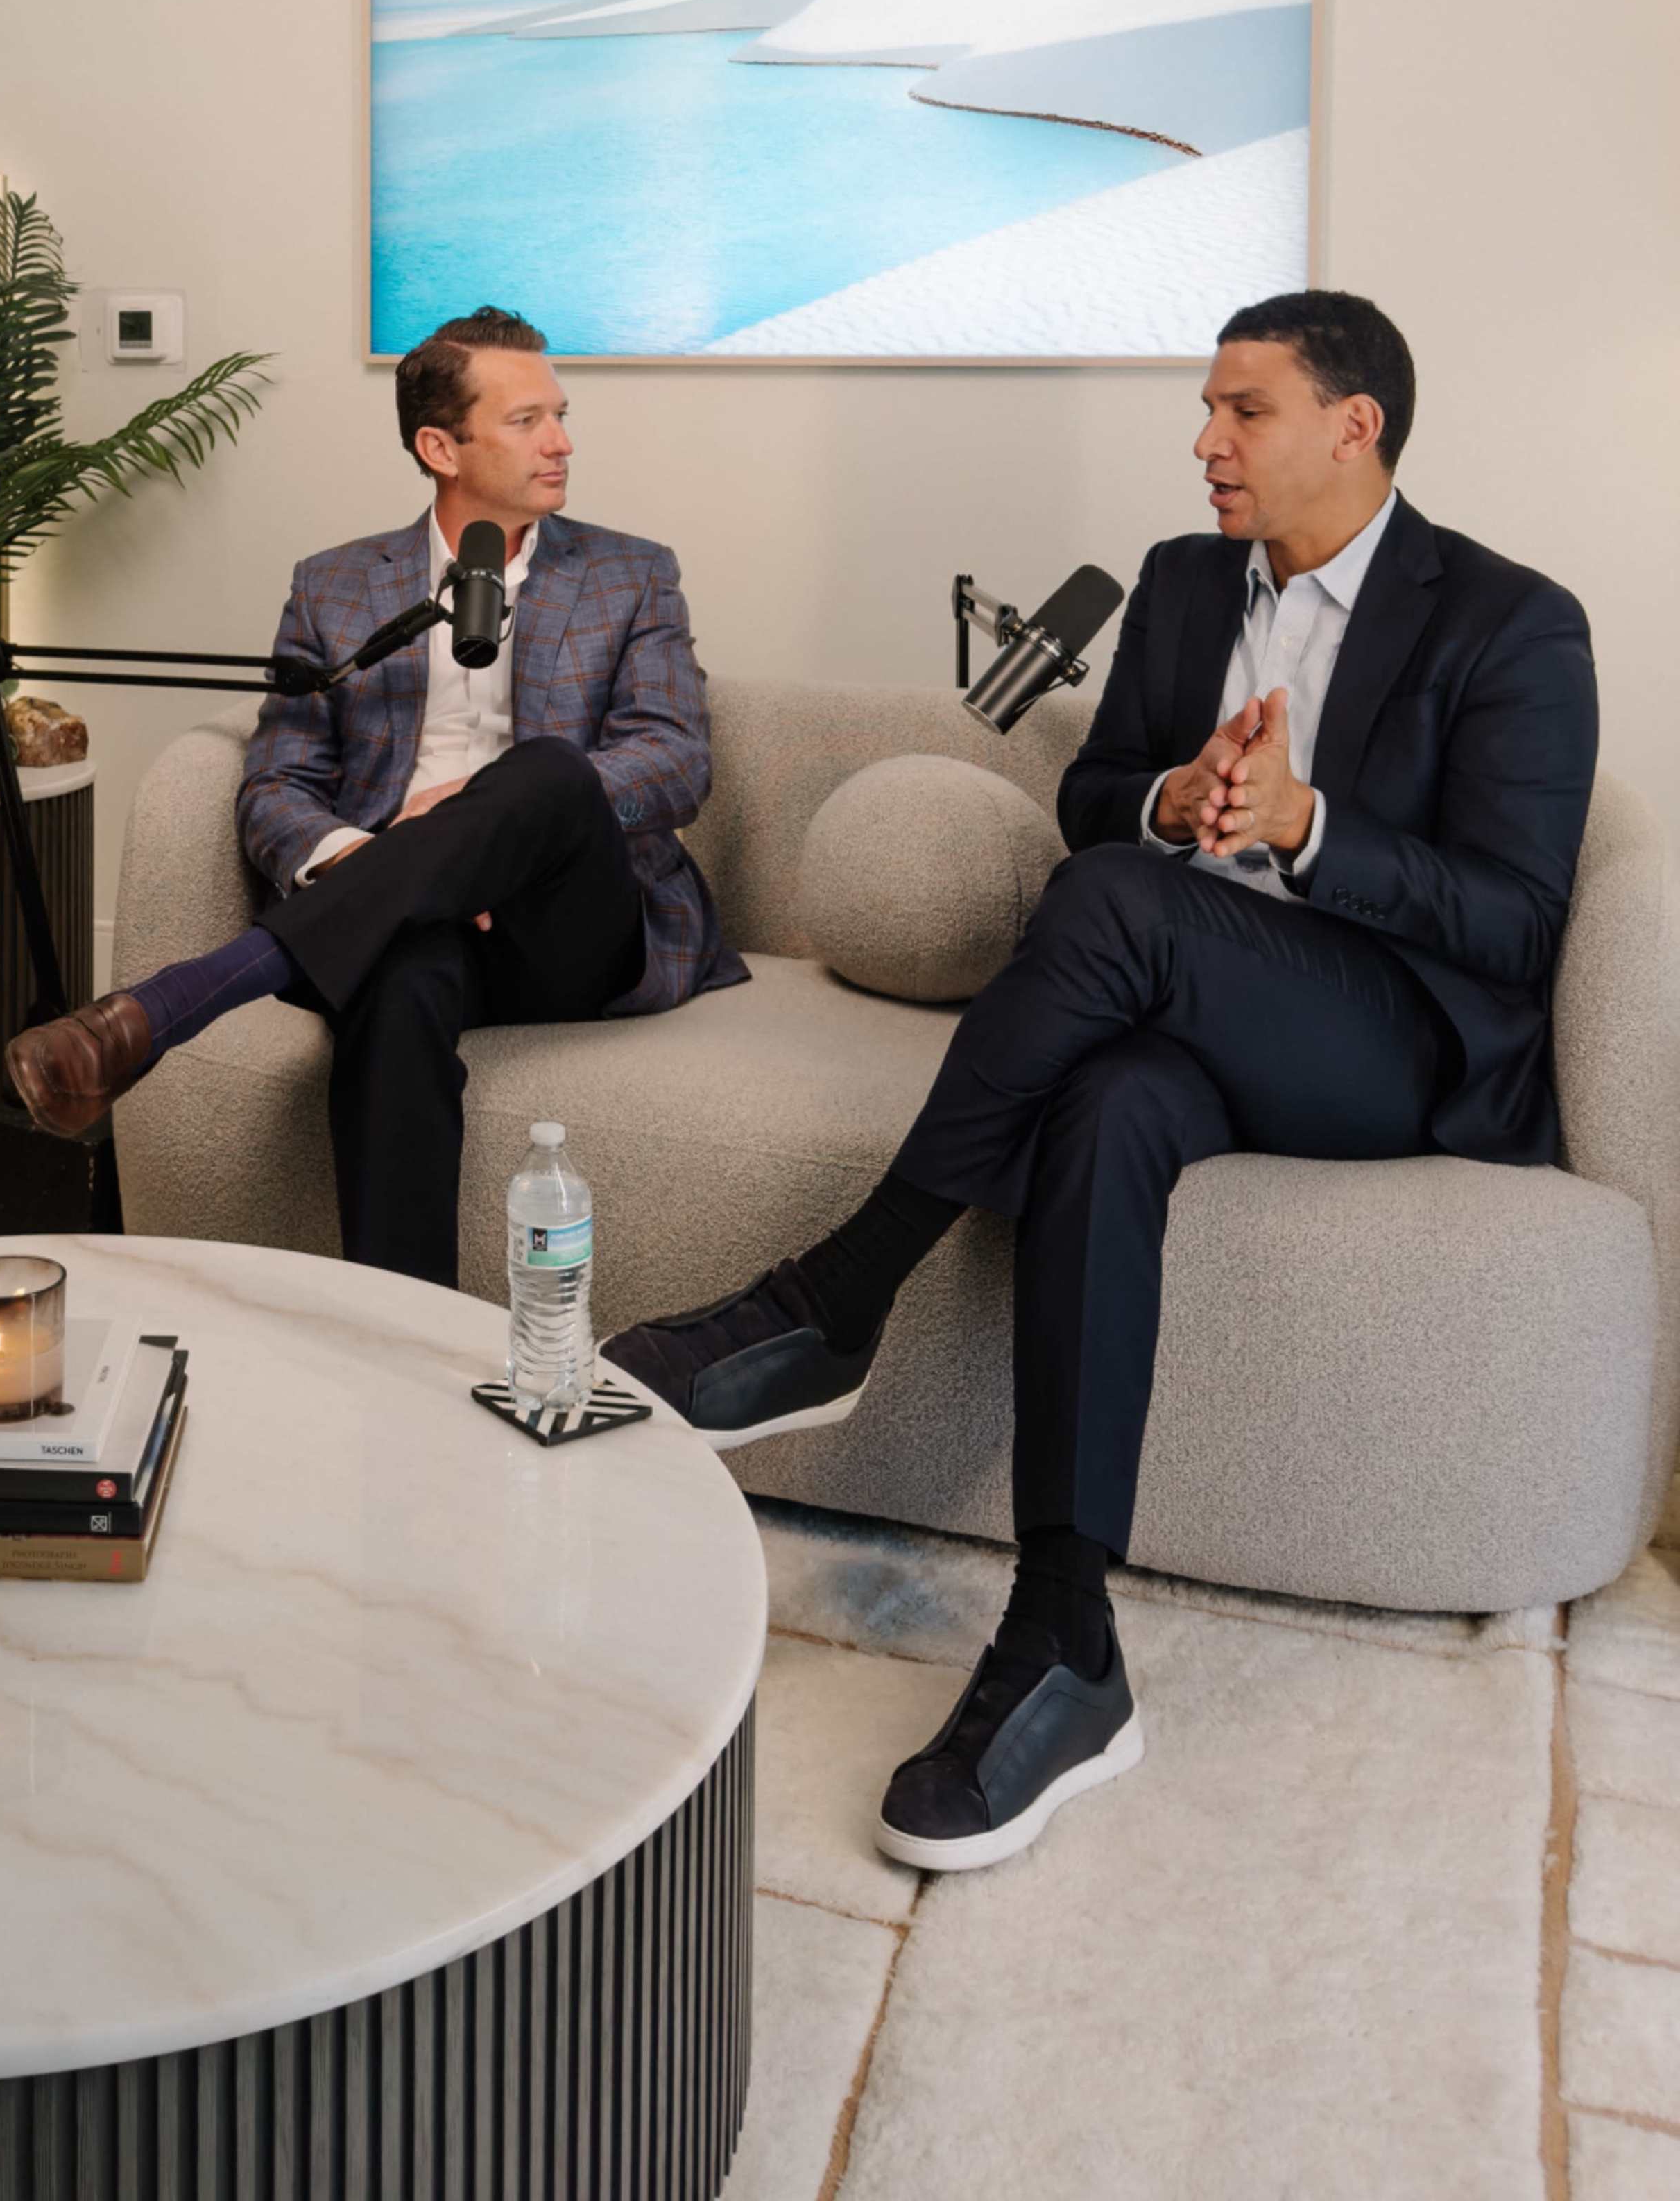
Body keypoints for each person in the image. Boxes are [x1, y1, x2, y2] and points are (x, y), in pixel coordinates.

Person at [607, 290, 1596, 1874]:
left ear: (1358, 426)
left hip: (1393, 1038)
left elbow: (1521, 916)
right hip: (1191, 1013)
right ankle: (1068, 1641)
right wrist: (1172, 791)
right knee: (1106, 1101)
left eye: (1244, 411)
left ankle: (839, 1296)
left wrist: (1307, 823)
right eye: (1206, 409)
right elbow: (1086, 801)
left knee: (1122, 911)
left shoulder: (1509, 617)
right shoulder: (1185, 581)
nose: (1206, 441)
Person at [3, 307, 744, 1283]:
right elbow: (278, 782)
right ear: (440, 446)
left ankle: (170, 1004)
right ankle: (404, 1338)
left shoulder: (628, 576)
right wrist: (365, 860)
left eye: (559, 415)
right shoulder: (339, 588)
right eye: (526, 421)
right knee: (394, 989)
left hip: (575, 924)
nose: (561, 442)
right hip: (408, 922)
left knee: (550, 774)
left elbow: (672, 760)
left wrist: (488, 821)